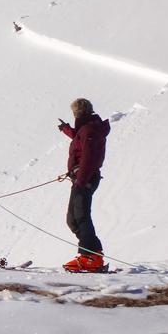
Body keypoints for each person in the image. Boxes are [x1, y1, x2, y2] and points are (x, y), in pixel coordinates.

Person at [57, 98, 111, 272]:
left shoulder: (89, 129)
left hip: (85, 178)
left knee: (80, 217)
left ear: (78, 113)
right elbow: (80, 139)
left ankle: (91, 257)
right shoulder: (88, 128)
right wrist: (67, 130)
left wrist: (80, 181)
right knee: (73, 219)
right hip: (82, 178)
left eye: (75, 112)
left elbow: (88, 157)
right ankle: (92, 254)